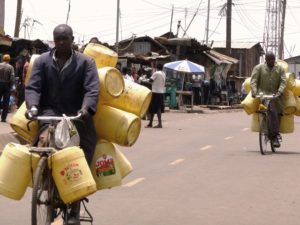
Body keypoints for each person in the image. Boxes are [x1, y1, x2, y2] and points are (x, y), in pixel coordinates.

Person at [25, 24, 99, 225]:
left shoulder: (86, 63)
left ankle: (74, 203)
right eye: (57, 39)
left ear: (72, 39)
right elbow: (33, 87)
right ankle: (46, 180)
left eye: (65, 39)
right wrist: (32, 107)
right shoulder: (42, 61)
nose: (61, 42)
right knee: (43, 143)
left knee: (81, 151)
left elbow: (92, 89)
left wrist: (86, 109)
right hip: (50, 113)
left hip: (77, 115)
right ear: (53, 40)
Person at [250, 51, 286, 147]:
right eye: (269, 59)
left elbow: (283, 81)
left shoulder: (280, 69)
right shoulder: (259, 68)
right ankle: (268, 133)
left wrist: (280, 91)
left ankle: (275, 135)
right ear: (265, 60)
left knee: (276, 113)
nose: (271, 61)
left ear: (275, 60)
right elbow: (253, 80)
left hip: (276, 96)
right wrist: (254, 91)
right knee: (266, 112)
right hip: (263, 96)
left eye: (272, 59)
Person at [145, 63, 166, 128]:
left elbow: (150, 81)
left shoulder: (156, 73)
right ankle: (154, 123)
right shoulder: (163, 74)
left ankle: (154, 123)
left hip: (155, 92)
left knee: (153, 108)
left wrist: (143, 81)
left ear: (156, 67)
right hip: (161, 92)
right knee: (158, 108)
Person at [0, 54, 15, 122]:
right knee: (6, 102)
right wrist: (12, 85)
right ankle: (3, 118)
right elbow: (12, 77)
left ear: (3, 59)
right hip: (6, 85)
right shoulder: (10, 67)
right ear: (9, 60)